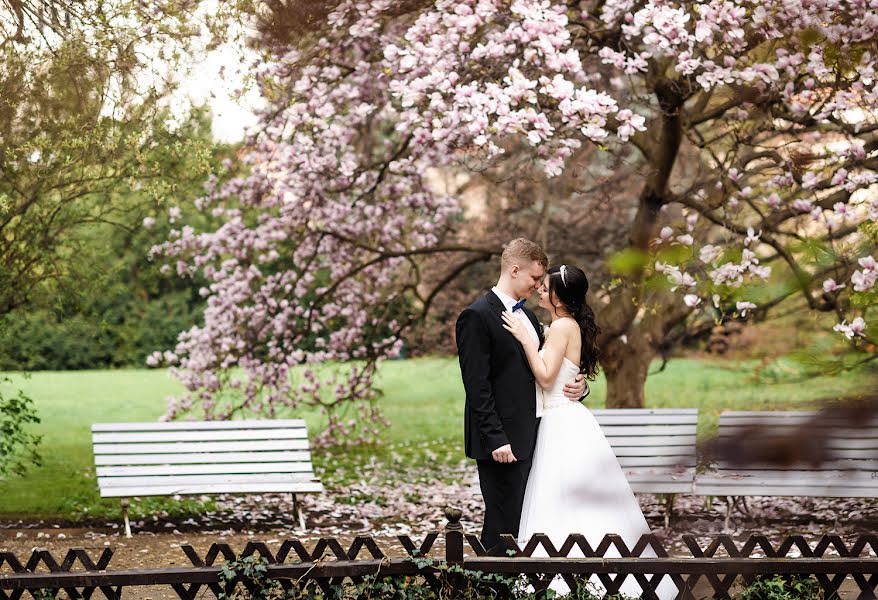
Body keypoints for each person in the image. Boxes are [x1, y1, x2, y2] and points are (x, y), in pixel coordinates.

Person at [502, 264, 677, 599]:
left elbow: (545, 376)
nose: (540, 289)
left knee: (564, 499)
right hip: (567, 419)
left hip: (561, 424)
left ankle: (575, 583)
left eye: (546, 287)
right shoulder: (565, 325)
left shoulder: (561, 326)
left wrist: (526, 339)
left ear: (559, 296)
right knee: (569, 500)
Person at [455, 238, 587, 553]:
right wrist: (496, 438)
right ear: (515, 270)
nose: (540, 286)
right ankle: (489, 587)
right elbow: (477, 385)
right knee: (503, 522)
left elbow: (547, 372)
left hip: (535, 436)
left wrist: (579, 386)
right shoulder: (476, 316)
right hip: (502, 442)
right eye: (535, 278)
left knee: (526, 522)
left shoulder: (527, 317)